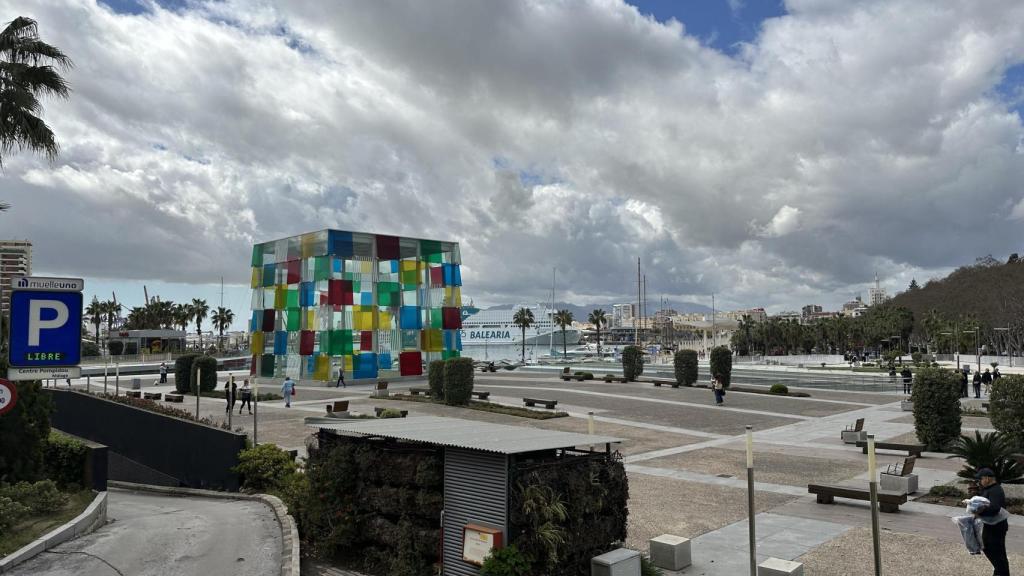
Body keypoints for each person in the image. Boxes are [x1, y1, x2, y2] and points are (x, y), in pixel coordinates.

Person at [973, 468, 1010, 575]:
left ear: (988, 478)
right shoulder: (987, 489)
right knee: (989, 548)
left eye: (981, 479)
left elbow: (994, 508)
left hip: (997, 527)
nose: (979, 481)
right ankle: (1000, 571)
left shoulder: (996, 490)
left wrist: (979, 512)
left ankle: (1001, 572)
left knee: (997, 552)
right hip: (990, 525)